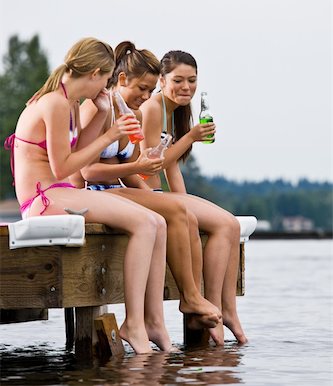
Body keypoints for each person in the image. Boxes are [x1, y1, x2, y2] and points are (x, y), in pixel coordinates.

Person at [3, 37, 173, 354]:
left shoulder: (66, 103)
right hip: (44, 199)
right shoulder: (54, 103)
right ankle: (133, 324)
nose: (106, 89)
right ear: (95, 73)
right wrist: (111, 133)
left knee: (157, 222)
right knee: (146, 224)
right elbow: (65, 166)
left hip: (60, 193)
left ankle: (152, 321)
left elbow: (79, 151)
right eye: (106, 81)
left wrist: (101, 114)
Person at [79, 41, 222, 331]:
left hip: (116, 191)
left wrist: (152, 194)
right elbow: (86, 171)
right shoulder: (97, 110)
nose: (146, 96)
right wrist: (141, 171)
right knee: (173, 212)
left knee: (178, 209)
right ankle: (187, 299)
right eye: (142, 89)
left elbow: (134, 169)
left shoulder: (135, 113)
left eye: (148, 90)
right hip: (90, 193)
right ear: (121, 80)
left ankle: (183, 304)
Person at [140, 50, 248, 345]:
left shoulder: (174, 111)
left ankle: (224, 309)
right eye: (178, 80)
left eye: (192, 80)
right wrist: (191, 138)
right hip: (145, 193)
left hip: (163, 195)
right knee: (222, 223)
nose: (186, 87)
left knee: (230, 225)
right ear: (161, 80)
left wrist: (185, 204)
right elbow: (154, 163)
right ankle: (208, 306)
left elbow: (173, 167)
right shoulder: (151, 108)